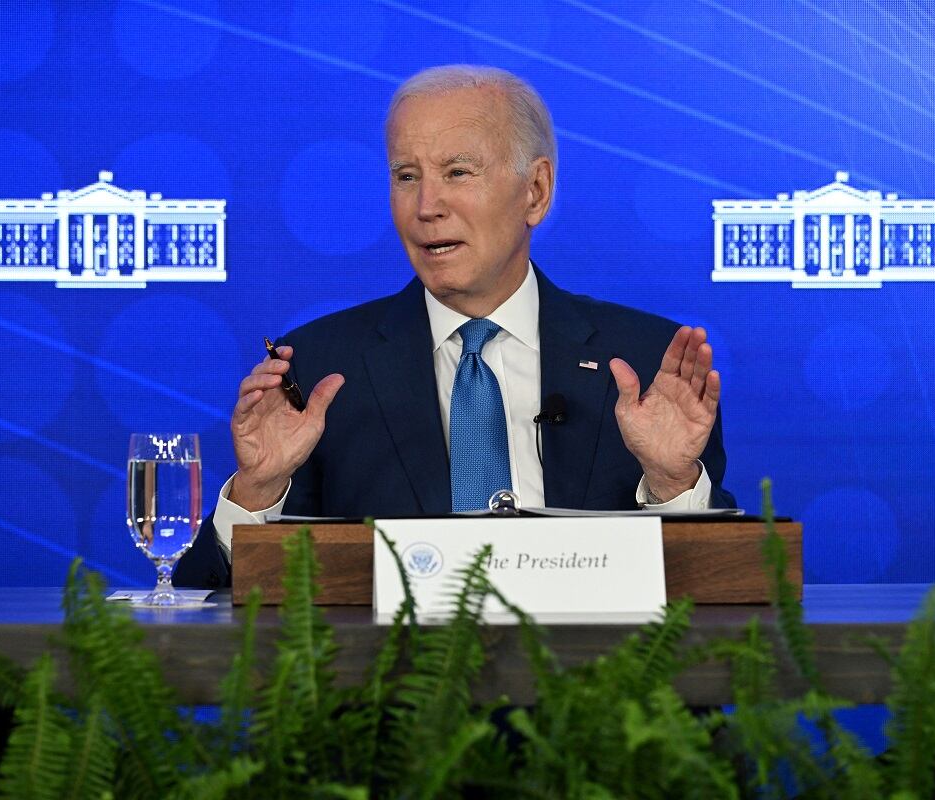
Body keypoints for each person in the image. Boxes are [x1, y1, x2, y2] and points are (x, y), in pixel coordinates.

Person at [174, 65, 734, 590]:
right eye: (406, 175)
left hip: (593, 685)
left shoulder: (646, 362)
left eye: (458, 172)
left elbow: (711, 602)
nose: (426, 205)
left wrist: (671, 483)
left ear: (535, 191)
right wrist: (259, 491)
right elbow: (211, 606)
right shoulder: (321, 372)